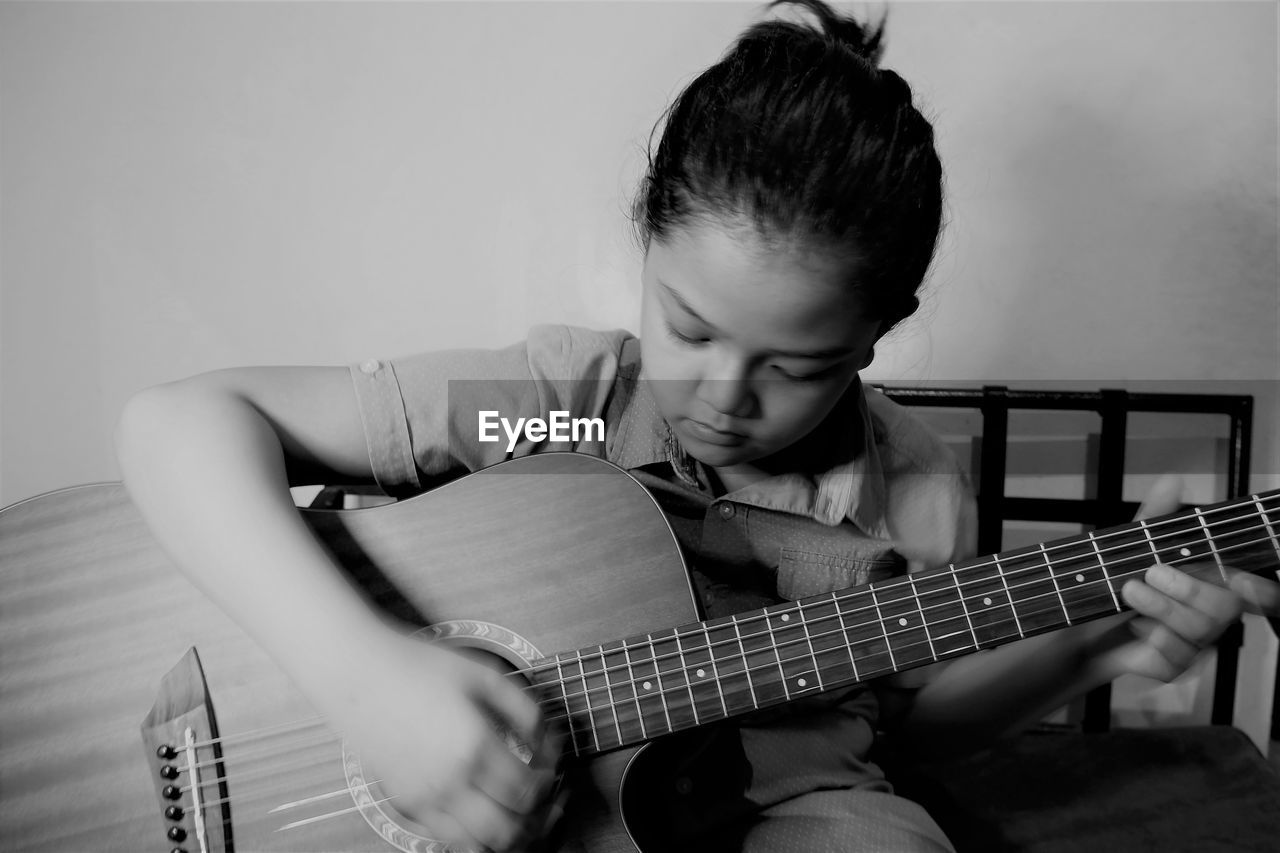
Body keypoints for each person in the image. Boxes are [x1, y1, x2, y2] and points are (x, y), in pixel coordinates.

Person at [114, 2, 1280, 851]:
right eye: (685, 326)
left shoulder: (908, 490)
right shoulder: (561, 420)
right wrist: (362, 676)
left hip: (775, 804)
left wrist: (1099, 634)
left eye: (796, 365)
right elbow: (181, 424)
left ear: (878, 333)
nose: (721, 393)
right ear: (644, 251)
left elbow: (901, 725)